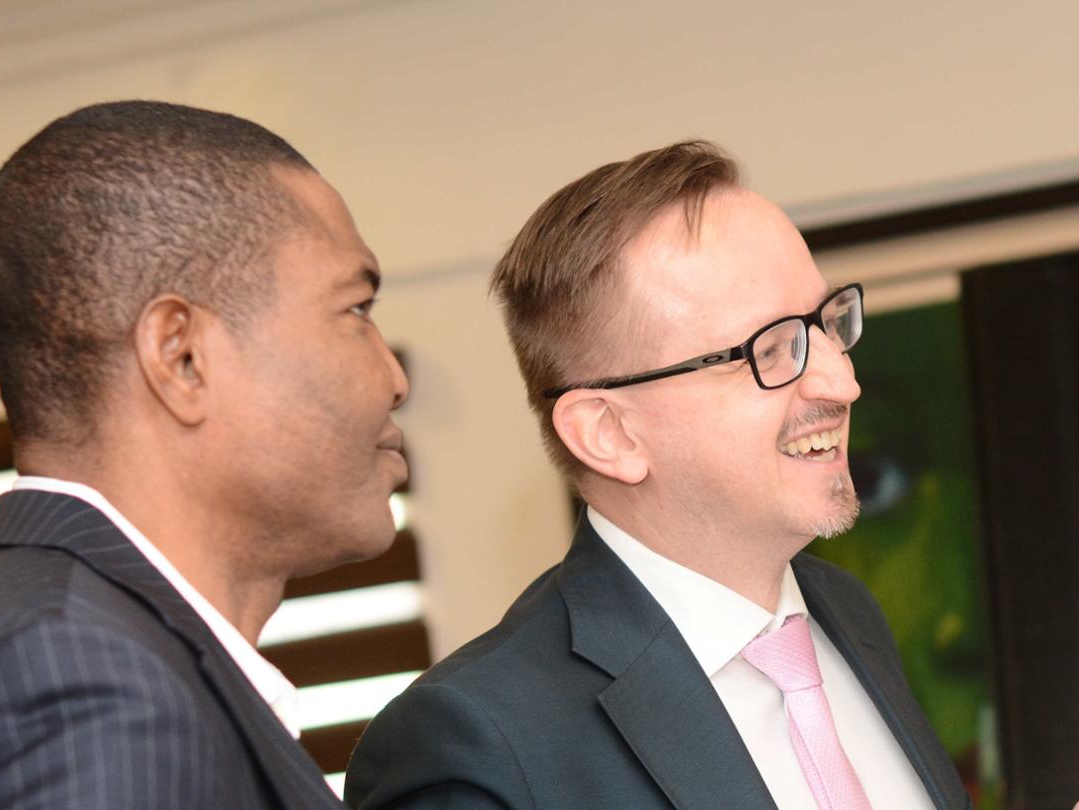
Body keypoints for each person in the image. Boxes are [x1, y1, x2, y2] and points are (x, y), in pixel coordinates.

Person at [345, 141, 969, 810]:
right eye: (770, 349)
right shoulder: (478, 745)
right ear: (608, 434)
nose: (841, 382)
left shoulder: (848, 613)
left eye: (826, 325)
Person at [0, 100, 407, 807]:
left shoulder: (64, 639)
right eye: (356, 310)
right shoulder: (88, 679)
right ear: (182, 357)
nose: (395, 379)